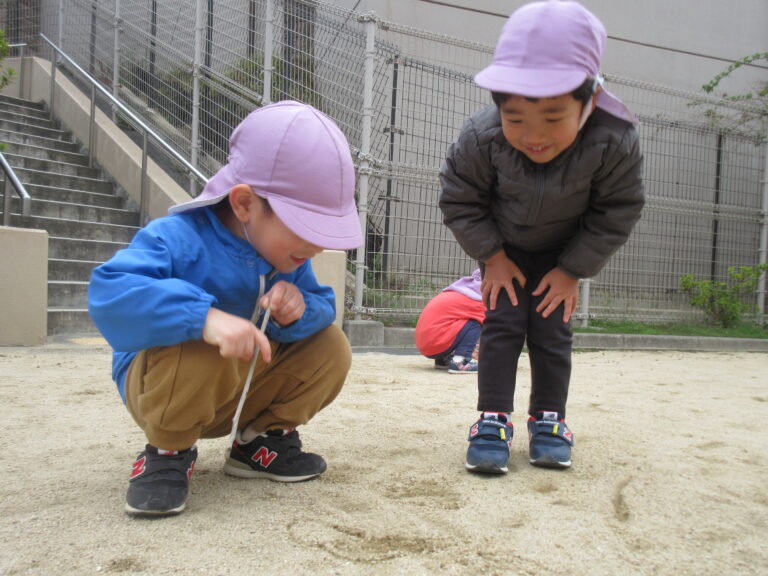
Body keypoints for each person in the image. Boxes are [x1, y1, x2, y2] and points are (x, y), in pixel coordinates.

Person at [88, 101, 363, 517]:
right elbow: (110, 291)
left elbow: (324, 305)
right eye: (305, 227)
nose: (316, 246)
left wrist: (300, 309)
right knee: (202, 342)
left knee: (330, 345)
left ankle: (257, 443)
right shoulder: (178, 238)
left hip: (238, 391)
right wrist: (203, 318)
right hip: (163, 389)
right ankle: (167, 452)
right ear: (244, 204)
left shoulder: (287, 259)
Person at [439, 0, 644, 473]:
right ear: (499, 108)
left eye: (553, 119)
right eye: (516, 119)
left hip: (564, 254)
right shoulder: (480, 135)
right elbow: (459, 200)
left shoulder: (614, 139)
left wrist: (572, 270)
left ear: (589, 100)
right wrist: (491, 256)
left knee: (552, 332)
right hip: (503, 249)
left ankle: (549, 420)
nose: (534, 136)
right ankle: (492, 419)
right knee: (503, 325)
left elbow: (618, 209)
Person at [415, 269, 485, 374]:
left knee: (462, 321)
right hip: (437, 344)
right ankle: (461, 361)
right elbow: (494, 327)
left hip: (426, 345)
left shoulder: (461, 292)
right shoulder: (477, 299)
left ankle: (443, 359)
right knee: (475, 322)